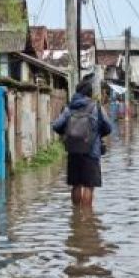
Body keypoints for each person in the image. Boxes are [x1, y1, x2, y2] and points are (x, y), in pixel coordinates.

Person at [53, 77, 112, 207]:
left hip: (73, 151)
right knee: (89, 186)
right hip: (92, 152)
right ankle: (86, 217)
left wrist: (69, 133)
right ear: (89, 93)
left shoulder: (69, 108)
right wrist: (97, 134)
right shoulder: (96, 107)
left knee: (76, 185)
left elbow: (56, 126)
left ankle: (76, 215)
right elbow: (108, 127)